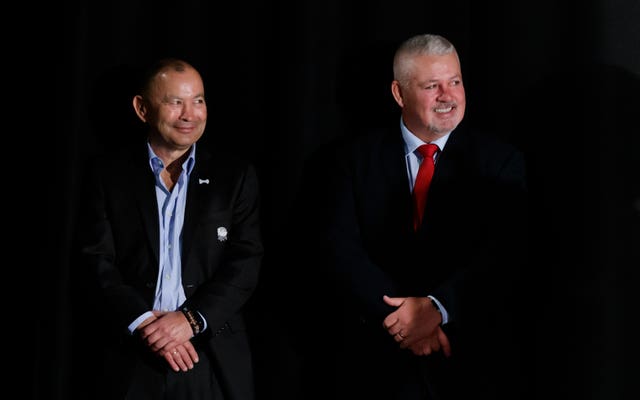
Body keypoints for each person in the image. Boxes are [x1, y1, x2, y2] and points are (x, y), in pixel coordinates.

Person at [319, 33, 530, 399]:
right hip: (374, 363)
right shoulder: (352, 159)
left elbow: (506, 253)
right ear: (399, 94)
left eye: (455, 82)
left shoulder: (500, 162)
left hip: (467, 364)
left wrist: (437, 308)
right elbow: (339, 249)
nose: (448, 96)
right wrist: (407, 322)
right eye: (432, 86)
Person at [74, 58, 263, 400]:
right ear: (142, 108)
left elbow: (246, 262)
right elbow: (95, 260)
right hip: (131, 353)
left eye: (199, 100)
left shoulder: (234, 176)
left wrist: (189, 321)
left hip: (210, 354)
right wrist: (147, 323)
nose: (190, 114)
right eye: (175, 102)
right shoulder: (108, 174)